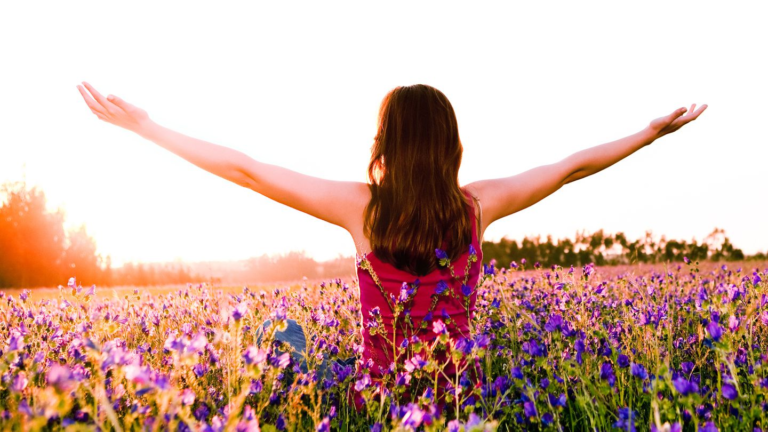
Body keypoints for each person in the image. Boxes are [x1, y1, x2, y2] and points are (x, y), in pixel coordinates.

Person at [76, 82, 707, 395]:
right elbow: (570, 168)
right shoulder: (476, 209)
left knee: (283, 342)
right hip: (461, 393)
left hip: (383, 397)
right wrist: (647, 135)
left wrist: (150, 129)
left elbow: (246, 170)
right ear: (449, 144)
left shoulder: (362, 210)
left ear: (386, 145)